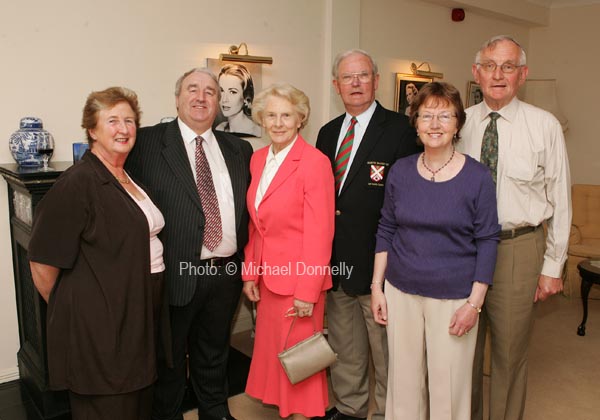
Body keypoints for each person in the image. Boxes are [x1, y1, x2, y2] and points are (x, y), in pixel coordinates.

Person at [28, 87, 167, 419]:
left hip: (137, 317)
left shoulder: (124, 175)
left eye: (130, 121)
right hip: (103, 329)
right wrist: (88, 314)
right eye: (113, 120)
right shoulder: (77, 183)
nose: (123, 129)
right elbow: (42, 262)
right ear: (91, 129)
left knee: (137, 405)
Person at [126, 68, 253, 420]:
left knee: (214, 355)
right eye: (192, 89)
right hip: (173, 273)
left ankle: (216, 412)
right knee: (168, 361)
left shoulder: (238, 148)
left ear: (219, 102)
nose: (201, 97)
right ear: (178, 97)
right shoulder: (148, 143)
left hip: (226, 273)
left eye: (210, 91)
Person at [370, 81, 501, 419]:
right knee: (403, 383)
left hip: (454, 297)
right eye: (426, 115)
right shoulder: (400, 171)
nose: (435, 124)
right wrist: (377, 287)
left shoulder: (477, 176)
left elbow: (487, 239)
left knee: (449, 387)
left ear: (458, 123)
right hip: (401, 291)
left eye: (445, 116)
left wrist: (475, 303)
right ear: (415, 122)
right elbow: (387, 227)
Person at [459, 35, 572, 420]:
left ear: (522, 75)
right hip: (462, 249)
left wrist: (553, 267)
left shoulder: (545, 126)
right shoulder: (458, 124)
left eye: (508, 66)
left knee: (510, 353)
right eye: (489, 65)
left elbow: (560, 200)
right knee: (462, 351)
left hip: (516, 248)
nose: (498, 74)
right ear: (476, 72)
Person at [314, 49, 420, 420]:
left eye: (363, 76)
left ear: (376, 81)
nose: (355, 83)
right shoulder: (327, 133)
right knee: (345, 345)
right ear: (336, 85)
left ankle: (389, 412)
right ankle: (350, 407)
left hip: (382, 263)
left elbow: (410, 201)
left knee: (386, 349)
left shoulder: (402, 131)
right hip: (338, 261)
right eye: (347, 77)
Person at [242, 83, 335, 419]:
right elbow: (257, 225)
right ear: (262, 120)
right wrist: (251, 272)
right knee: (275, 357)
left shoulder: (314, 162)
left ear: (300, 119)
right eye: (271, 115)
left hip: (300, 284)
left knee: (301, 361)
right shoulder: (257, 160)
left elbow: (320, 232)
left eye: (286, 115)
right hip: (268, 281)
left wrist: (308, 291)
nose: (278, 122)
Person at [215, 63, 262, 137]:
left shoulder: (256, 130)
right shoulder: (220, 128)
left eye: (232, 92)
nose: (224, 99)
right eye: (221, 90)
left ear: (246, 98)